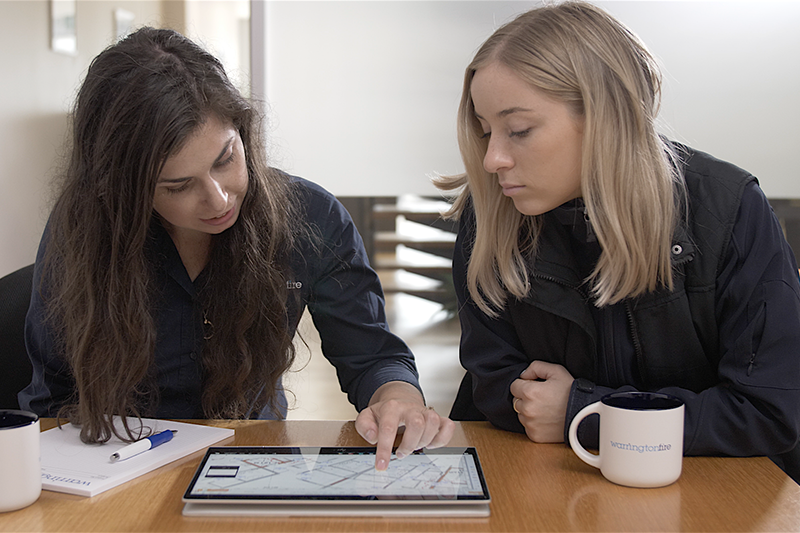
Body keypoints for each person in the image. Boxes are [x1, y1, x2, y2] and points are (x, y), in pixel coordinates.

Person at [19, 27, 453, 470]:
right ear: (122, 189)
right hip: (117, 468)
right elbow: (53, 397)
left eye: (225, 159)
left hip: (253, 464)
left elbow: (373, 356)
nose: (219, 198)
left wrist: (397, 398)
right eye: (179, 186)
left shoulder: (311, 218)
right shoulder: (83, 233)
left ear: (242, 131)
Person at [436, 0, 800, 472]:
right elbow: (500, 392)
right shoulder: (488, 213)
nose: (493, 160)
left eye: (519, 130)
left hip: (710, 493)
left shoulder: (729, 207)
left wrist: (586, 413)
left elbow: (768, 411)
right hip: (537, 486)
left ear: (606, 116)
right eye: (486, 132)